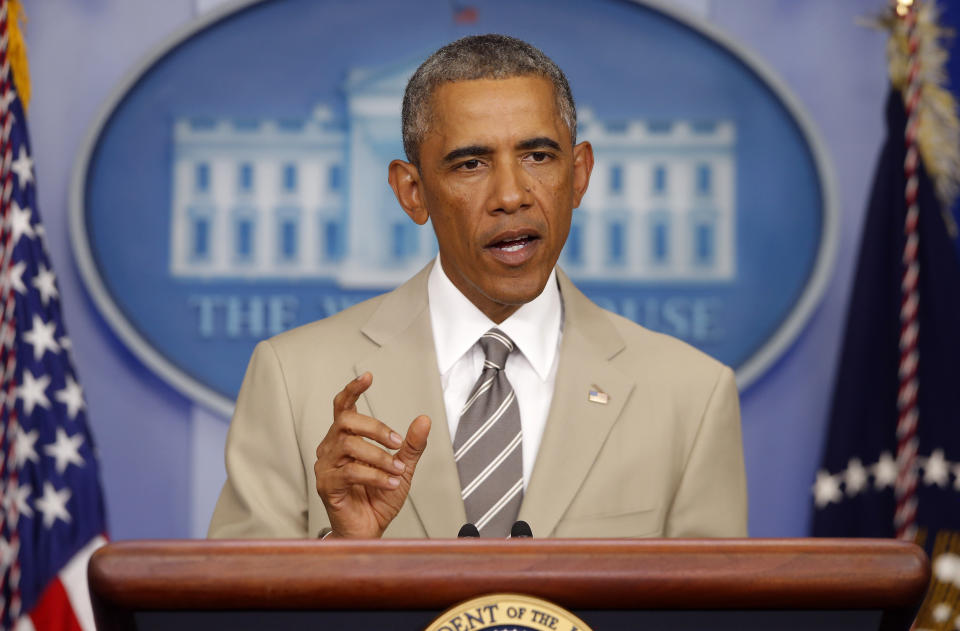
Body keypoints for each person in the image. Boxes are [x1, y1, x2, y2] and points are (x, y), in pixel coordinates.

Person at [208, 34, 747, 539]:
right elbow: (230, 608)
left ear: (579, 174)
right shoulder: (291, 378)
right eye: (471, 163)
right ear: (412, 192)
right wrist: (342, 558)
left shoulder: (691, 396)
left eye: (538, 157)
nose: (511, 195)